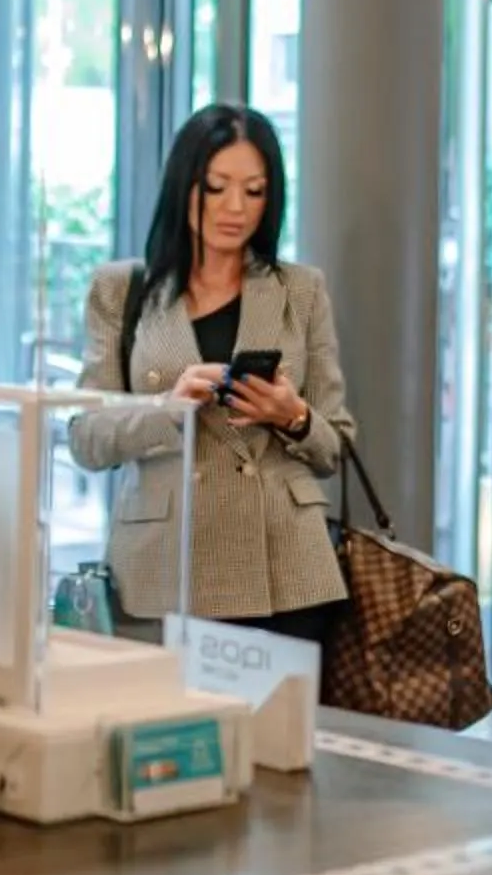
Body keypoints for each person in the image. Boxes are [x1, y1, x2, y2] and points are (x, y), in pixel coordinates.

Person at [68, 105, 355, 639]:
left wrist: (291, 416)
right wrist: (168, 411)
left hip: (283, 567)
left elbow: (334, 447)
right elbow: (86, 439)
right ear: (184, 186)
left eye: (254, 191)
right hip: (163, 564)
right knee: (161, 722)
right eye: (216, 186)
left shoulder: (301, 289)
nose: (234, 208)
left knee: (277, 724)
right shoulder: (121, 290)